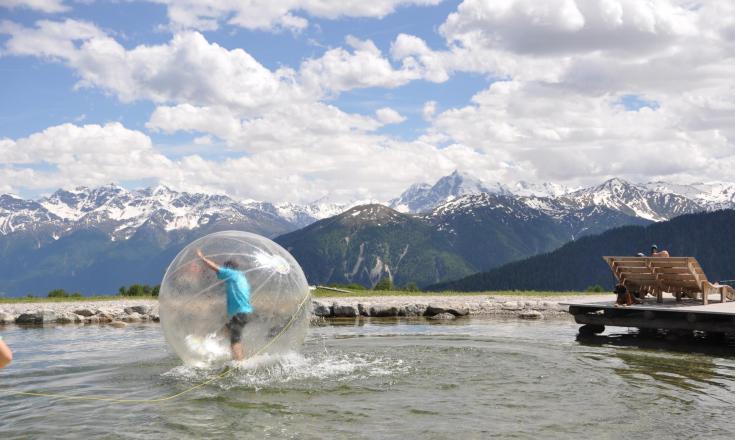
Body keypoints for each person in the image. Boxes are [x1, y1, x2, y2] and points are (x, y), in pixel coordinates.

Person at [196, 249, 252, 361]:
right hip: (244, 313)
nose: (221, 273)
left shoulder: (231, 274)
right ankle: (214, 350)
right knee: (224, 332)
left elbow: (215, 267)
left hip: (240, 313)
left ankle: (239, 364)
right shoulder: (240, 276)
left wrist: (202, 257)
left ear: (228, 268)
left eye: (224, 269)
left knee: (234, 340)